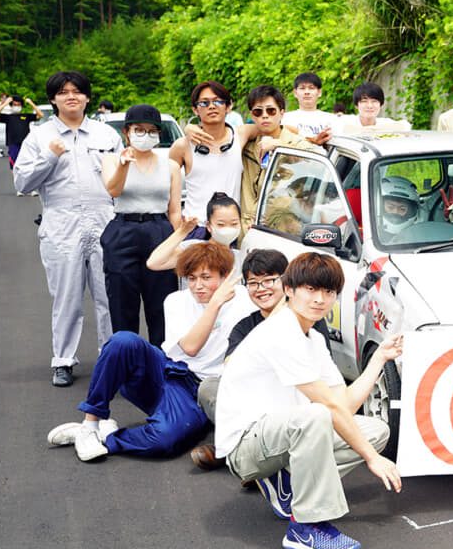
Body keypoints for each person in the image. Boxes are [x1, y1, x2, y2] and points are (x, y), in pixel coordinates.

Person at [215, 252, 403, 549]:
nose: (320, 299)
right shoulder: (280, 332)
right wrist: (372, 461)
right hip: (245, 447)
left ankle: (292, 487)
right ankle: (305, 528)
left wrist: (380, 358)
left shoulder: (312, 338)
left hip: (280, 435)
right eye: (311, 289)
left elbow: (345, 404)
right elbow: (329, 406)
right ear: (289, 290)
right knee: (318, 414)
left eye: (328, 292)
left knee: (375, 430)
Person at [45, 242, 254, 462]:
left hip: (205, 391)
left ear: (224, 276)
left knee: (164, 441)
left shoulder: (245, 301)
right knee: (123, 341)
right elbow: (191, 348)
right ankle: (90, 424)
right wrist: (215, 305)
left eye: (206, 277)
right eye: (191, 278)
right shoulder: (176, 301)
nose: (197, 286)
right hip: (171, 373)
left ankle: (106, 436)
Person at [14, 71, 123, 387]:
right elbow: (22, 182)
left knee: (108, 296)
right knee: (67, 297)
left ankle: (110, 357)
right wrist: (50, 156)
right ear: (53, 99)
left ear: (88, 97)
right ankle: (63, 360)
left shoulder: (106, 135)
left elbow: (121, 181)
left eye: (77, 91)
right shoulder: (39, 137)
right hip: (62, 225)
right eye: (63, 92)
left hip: (105, 223)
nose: (71, 96)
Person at [190, 248, 334, 471]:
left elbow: (321, 376)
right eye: (253, 283)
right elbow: (232, 370)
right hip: (256, 411)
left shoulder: (310, 317)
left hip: (296, 403)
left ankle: (231, 455)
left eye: (269, 280)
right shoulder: (244, 327)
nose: (261, 289)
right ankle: (241, 450)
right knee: (209, 387)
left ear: (288, 283)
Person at [99, 104, 181, 347]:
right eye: (139, 130)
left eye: (151, 131)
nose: (146, 135)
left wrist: (179, 246)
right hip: (123, 229)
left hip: (159, 231)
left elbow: (174, 210)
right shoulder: (112, 159)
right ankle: (128, 371)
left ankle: (160, 369)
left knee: (162, 307)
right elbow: (113, 190)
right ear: (127, 132)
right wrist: (125, 164)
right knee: (123, 306)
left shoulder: (171, 165)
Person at [238, 85, 319, 236]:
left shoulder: (295, 143)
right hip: (246, 229)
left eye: (271, 110)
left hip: (282, 228)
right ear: (252, 115)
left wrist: (279, 146)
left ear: (281, 113)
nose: (265, 115)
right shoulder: (245, 144)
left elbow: (317, 164)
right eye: (258, 111)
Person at [169, 81, 244, 239]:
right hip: (195, 228)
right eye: (204, 103)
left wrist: (273, 142)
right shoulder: (182, 146)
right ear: (195, 109)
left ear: (229, 106)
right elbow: (171, 200)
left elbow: (277, 127)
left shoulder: (241, 135)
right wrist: (179, 235)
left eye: (218, 101)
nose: (211, 106)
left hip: (230, 230)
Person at [147, 191, 242, 275]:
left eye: (234, 223)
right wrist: (182, 232)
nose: (228, 229)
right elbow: (154, 263)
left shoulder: (241, 257)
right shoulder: (193, 249)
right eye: (221, 224)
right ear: (208, 226)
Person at [0, 92, 43, 173]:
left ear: (21, 106)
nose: (17, 106)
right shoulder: (8, 117)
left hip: (26, 145)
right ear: (11, 106)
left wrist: (31, 103)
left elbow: (40, 115)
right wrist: (6, 103)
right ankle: (16, 184)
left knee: (27, 166)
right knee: (14, 167)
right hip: (13, 144)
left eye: (18, 105)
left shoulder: (26, 116)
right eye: (15, 104)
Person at [283, 72, 339, 146]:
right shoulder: (285, 118)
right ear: (295, 93)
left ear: (319, 92)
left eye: (311, 88)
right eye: (302, 88)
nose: (307, 92)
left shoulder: (332, 119)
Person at [343, 81, 411, 132]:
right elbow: (340, 128)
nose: (370, 106)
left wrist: (373, 129)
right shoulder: (348, 121)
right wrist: (364, 130)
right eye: (364, 101)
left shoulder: (383, 123)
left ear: (381, 105)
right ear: (356, 105)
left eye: (374, 101)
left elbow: (406, 126)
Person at [379, 176, 420, 240]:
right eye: (390, 207)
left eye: (402, 209)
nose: (396, 211)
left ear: (410, 211)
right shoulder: (369, 233)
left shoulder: (417, 237)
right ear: (379, 207)